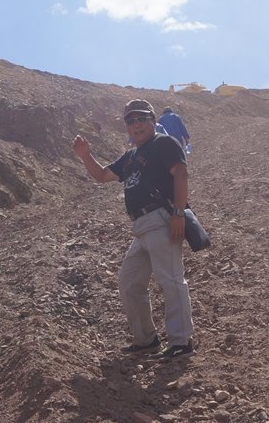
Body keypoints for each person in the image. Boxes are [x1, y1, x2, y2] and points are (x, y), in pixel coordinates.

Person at [72, 99, 194, 359]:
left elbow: (181, 174)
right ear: (126, 127)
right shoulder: (129, 157)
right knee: (129, 283)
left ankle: (181, 342)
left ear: (153, 120)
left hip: (161, 218)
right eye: (131, 121)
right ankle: (146, 340)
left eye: (141, 119)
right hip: (140, 227)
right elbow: (103, 176)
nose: (136, 124)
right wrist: (85, 156)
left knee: (171, 280)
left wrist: (178, 214)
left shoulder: (163, 143)